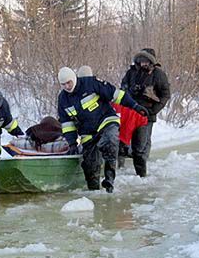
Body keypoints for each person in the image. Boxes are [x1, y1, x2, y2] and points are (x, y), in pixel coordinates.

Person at [57, 66, 148, 193]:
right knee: (90, 165)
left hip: (106, 120)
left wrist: (135, 106)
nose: (67, 86)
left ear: (74, 79)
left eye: (68, 83)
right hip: (87, 131)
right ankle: (93, 190)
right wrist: (72, 143)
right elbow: (67, 124)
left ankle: (109, 178)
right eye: (63, 84)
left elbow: (116, 95)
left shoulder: (91, 83)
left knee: (109, 141)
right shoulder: (63, 100)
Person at [121, 48, 171, 177]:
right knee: (124, 139)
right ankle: (122, 166)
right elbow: (123, 87)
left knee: (142, 142)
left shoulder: (158, 74)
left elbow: (165, 94)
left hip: (147, 113)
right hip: (131, 112)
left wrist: (153, 110)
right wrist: (129, 91)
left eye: (145, 60)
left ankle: (141, 172)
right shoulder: (131, 72)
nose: (143, 63)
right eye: (140, 60)